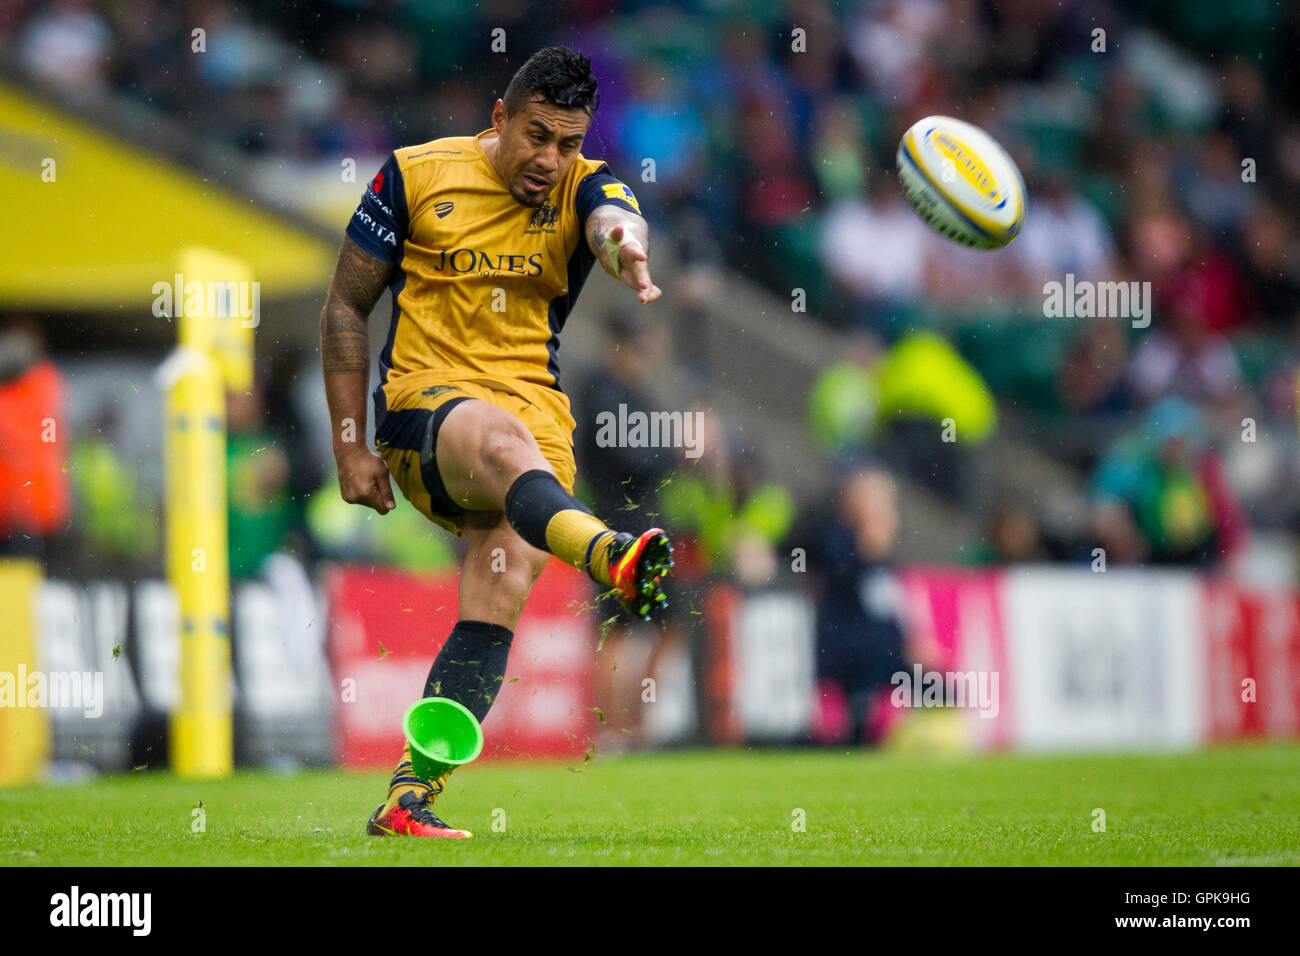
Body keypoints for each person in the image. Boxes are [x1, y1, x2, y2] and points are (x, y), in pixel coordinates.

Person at [319, 47, 673, 838]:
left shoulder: (588, 183)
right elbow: (345, 307)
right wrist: (349, 446)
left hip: (537, 427)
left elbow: (616, 217)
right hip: (426, 413)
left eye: (569, 144)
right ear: (500, 118)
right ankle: (607, 554)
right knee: (503, 441)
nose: (551, 160)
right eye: (537, 136)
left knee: (499, 591)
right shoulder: (412, 176)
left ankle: (408, 797)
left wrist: (622, 246)